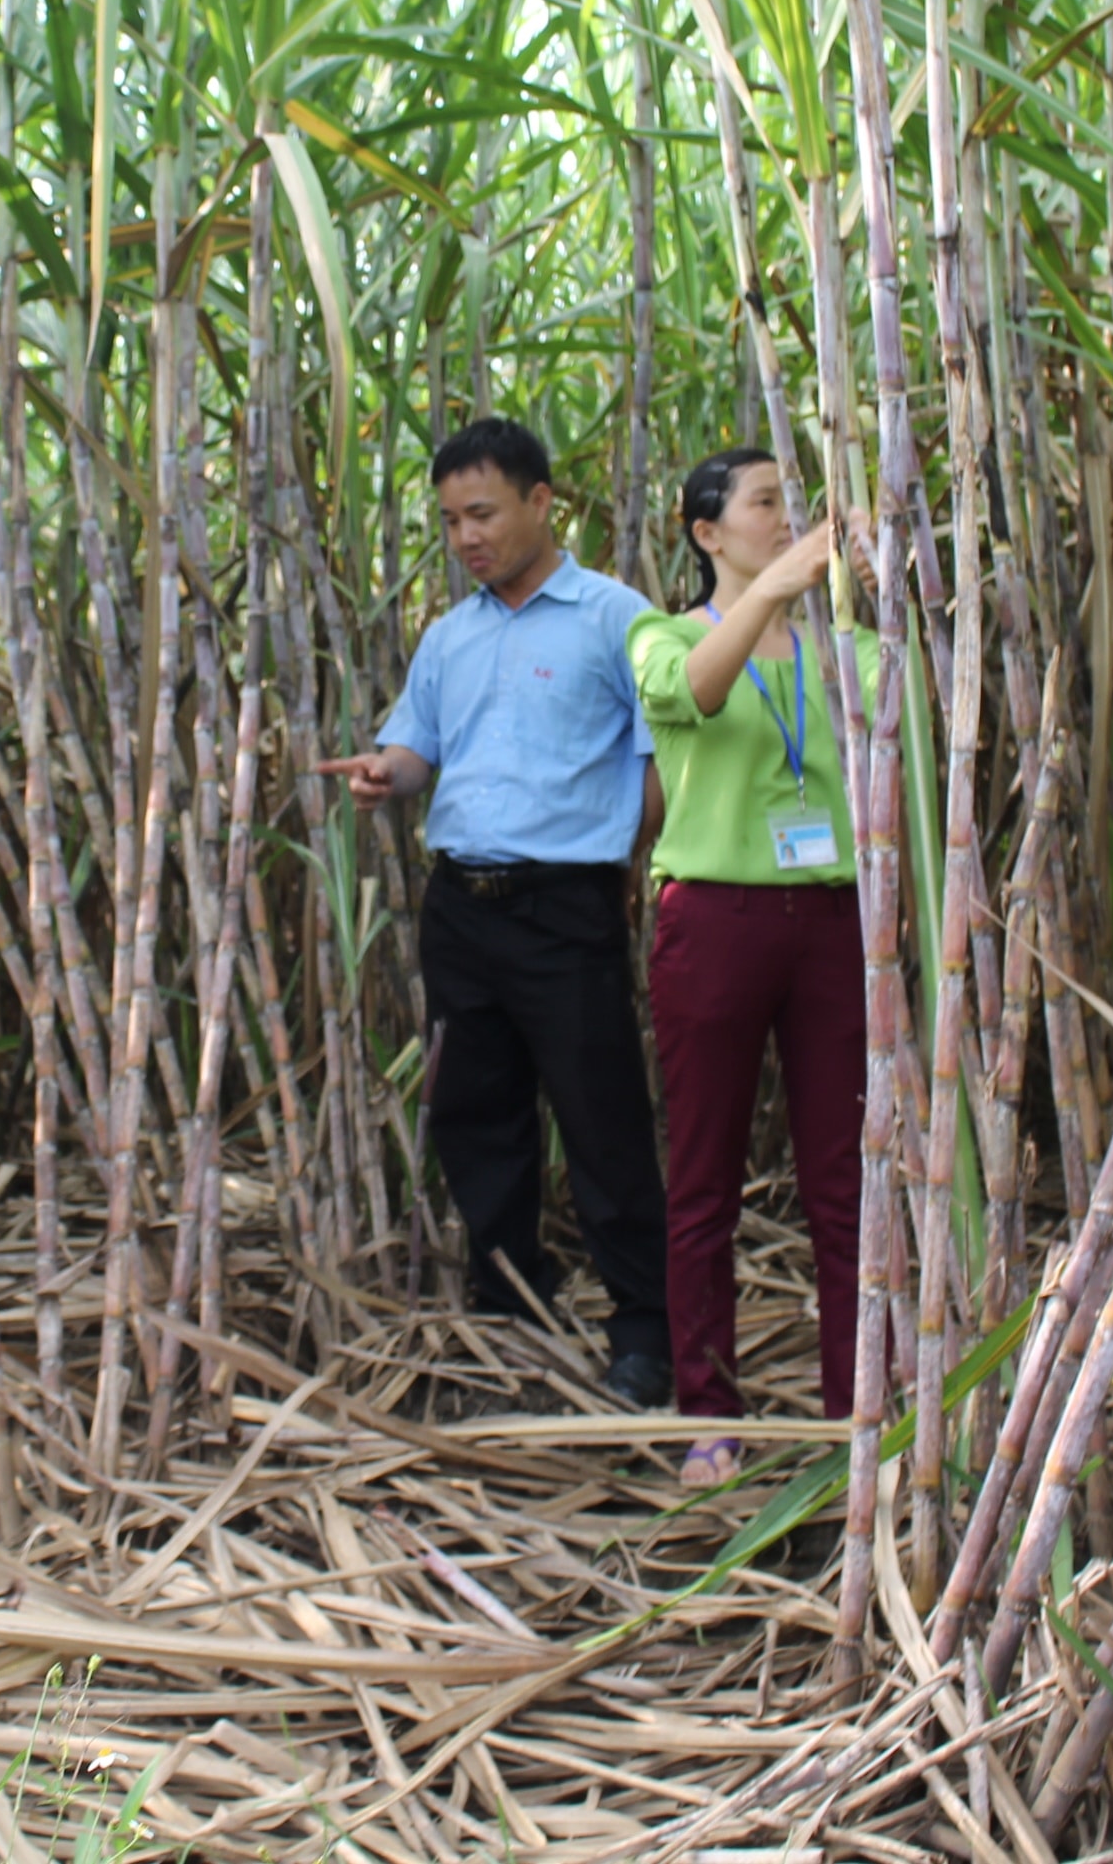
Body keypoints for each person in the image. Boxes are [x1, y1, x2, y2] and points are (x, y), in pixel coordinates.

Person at [315, 418, 673, 1409]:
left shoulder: (613, 618)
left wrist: (613, 843)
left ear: (541, 501)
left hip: (564, 906)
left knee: (600, 1114)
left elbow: (660, 758)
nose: (466, 536)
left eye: (482, 512)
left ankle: (643, 1326)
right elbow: (418, 745)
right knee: (475, 1110)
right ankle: (509, 1295)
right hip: (459, 905)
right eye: (449, 521)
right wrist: (387, 773)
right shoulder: (449, 634)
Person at [629, 448, 870, 1490]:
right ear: (704, 533)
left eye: (790, 501)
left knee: (844, 1182)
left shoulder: (846, 651)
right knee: (702, 1181)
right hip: (714, 920)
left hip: (830, 918)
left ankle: (854, 1409)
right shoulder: (662, 634)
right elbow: (694, 692)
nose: (787, 519)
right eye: (765, 503)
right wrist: (770, 588)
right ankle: (710, 1415)